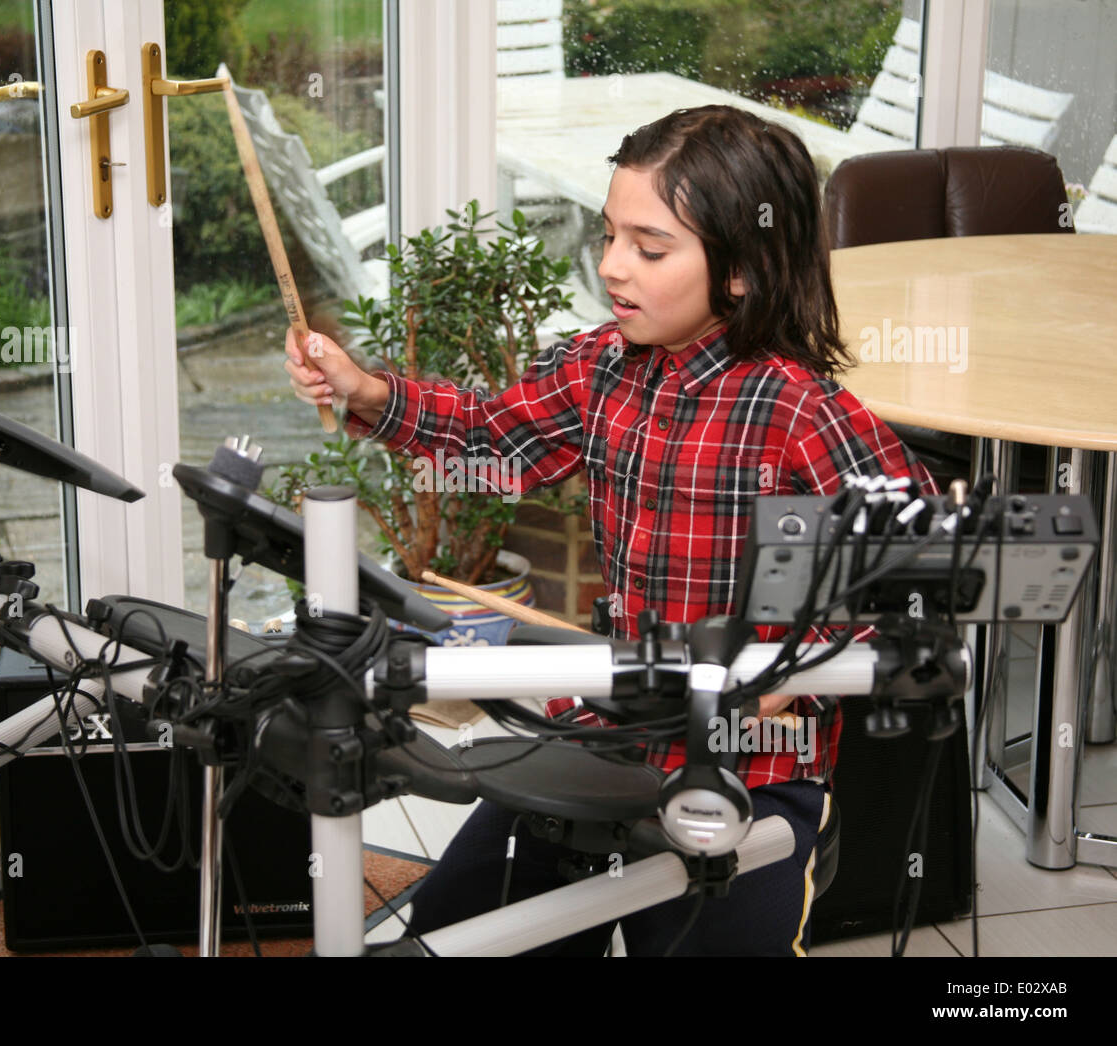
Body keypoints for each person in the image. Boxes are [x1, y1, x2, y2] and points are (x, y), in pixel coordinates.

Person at [282, 105, 938, 956]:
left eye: (650, 247)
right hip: (607, 733)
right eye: (610, 235)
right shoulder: (601, 367)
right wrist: (370, 394)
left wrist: (790, 669)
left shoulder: (800, 411)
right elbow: (492, 436)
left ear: (740, 270)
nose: (611, 266)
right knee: (463, 931)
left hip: (753, 766)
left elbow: (915, 565)